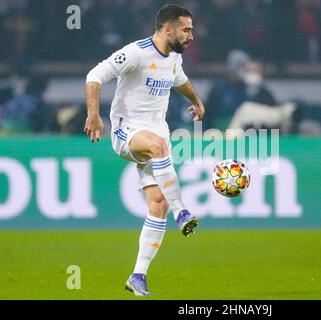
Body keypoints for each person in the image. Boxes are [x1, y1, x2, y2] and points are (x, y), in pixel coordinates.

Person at [84, 4, 205, 297]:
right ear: (168, 29)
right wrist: (94, 115)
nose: (191, 35)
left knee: (157, 203)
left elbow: (181, 80)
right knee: (159, 146)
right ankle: (182, 212)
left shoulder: (173, 58)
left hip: (155, 133)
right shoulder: (137, 53)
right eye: (186, 29)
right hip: (127, 130)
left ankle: (138, 276)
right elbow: (94, 75)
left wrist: (197, 101)